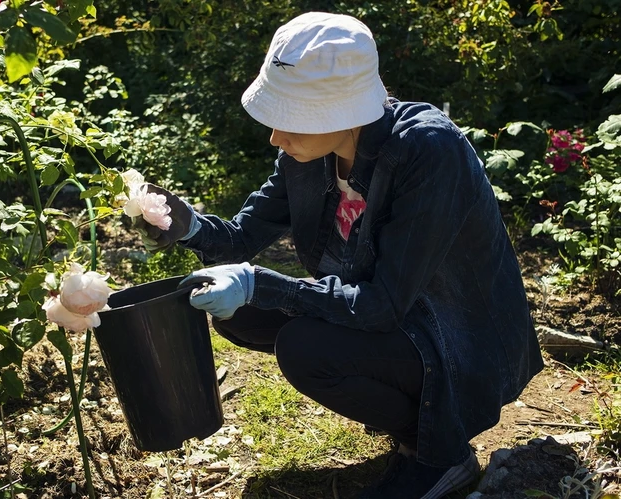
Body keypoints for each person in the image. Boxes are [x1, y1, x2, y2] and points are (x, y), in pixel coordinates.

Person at [132, 11, 544, 499]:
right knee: (241, 315)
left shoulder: (428, 151)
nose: (275, 138)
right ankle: (413, 424)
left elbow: (383, 302)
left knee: (305, 347)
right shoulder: (306, 155)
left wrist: (259, 282)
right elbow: (242, 235)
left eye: (290, 122)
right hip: (390, 317)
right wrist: (186, 224)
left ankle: (438, 454)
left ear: (341, 112)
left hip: (453, 338)